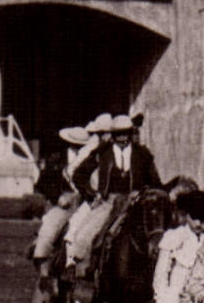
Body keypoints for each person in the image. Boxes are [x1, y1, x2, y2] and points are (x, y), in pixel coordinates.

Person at [68, 114, 163, 269]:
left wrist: (143, 191)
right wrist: (92, 195)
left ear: (131, 134)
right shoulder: (102, 153)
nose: (123, 138)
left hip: (136, 201)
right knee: (84, 236)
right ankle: (83, 272)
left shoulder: (143, 154)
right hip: (109, 202)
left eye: (126, 133)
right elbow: (79, 174)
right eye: (119, 134)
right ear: (113, 135)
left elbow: (155, 181)